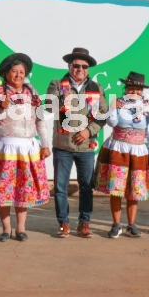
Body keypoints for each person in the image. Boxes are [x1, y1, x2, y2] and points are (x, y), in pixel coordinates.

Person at [0, 53, 51, 242]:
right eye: (14, 71)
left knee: (23, 189)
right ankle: (6, 229)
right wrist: (1, 106)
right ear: (7, 73)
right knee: (3, 189)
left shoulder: (32, 92)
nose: (18, 75)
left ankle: (21, 229)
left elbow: (40, 121)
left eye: (21, 72)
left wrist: (45, 145)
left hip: (26, 149)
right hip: (4, 148)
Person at [46, 47, 109, 238]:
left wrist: (88, 131)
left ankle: (84, 223)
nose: (80, 69)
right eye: (76, 65)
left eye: (84, 66)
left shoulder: (96, 88)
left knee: (86, 187)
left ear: (88, 69)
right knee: (60, 188)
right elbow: (48, 107)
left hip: (86, 146)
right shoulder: (57, 84)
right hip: (63, 145)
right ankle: (63, 223)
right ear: (69, 66)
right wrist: (60, 100)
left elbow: (103, 115)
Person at [94, 71, 149, 238]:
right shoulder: (118, 103)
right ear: (126, 89)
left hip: (138, 151)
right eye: (131, 88)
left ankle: (131, 225)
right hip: (118, 149)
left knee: (134, 190)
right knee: (116, 190)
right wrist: (113, 108)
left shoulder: (148, 107)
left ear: (142, 91)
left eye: (138, 90)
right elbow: (112, 122)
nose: (134, 92)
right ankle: (116, 225)